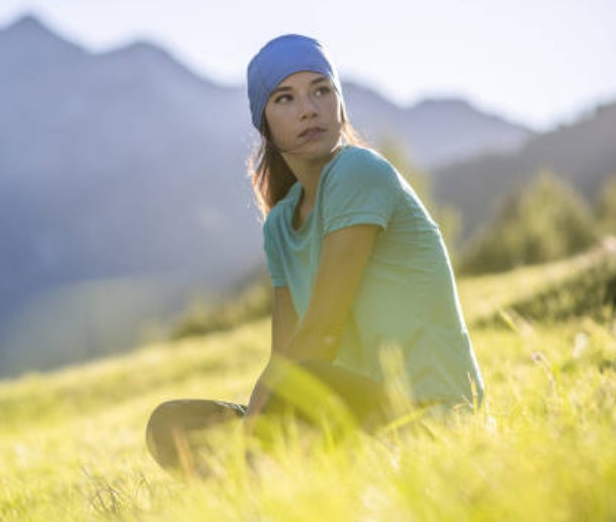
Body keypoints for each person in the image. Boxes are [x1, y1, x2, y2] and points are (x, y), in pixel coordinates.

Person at [146, 34, 484, 474]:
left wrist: (252, 437)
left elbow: (321, 333)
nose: (309, 108)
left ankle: (251, 480)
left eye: (321, 90)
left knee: (297, 386)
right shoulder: (280, 225)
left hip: (430, 414)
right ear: (263, 123)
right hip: (346, 405)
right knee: (172, 423)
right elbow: (283, 355)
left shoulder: (359, 171)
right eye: (285, 98)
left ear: (340, 103)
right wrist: (254, 424)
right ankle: (255, 483)